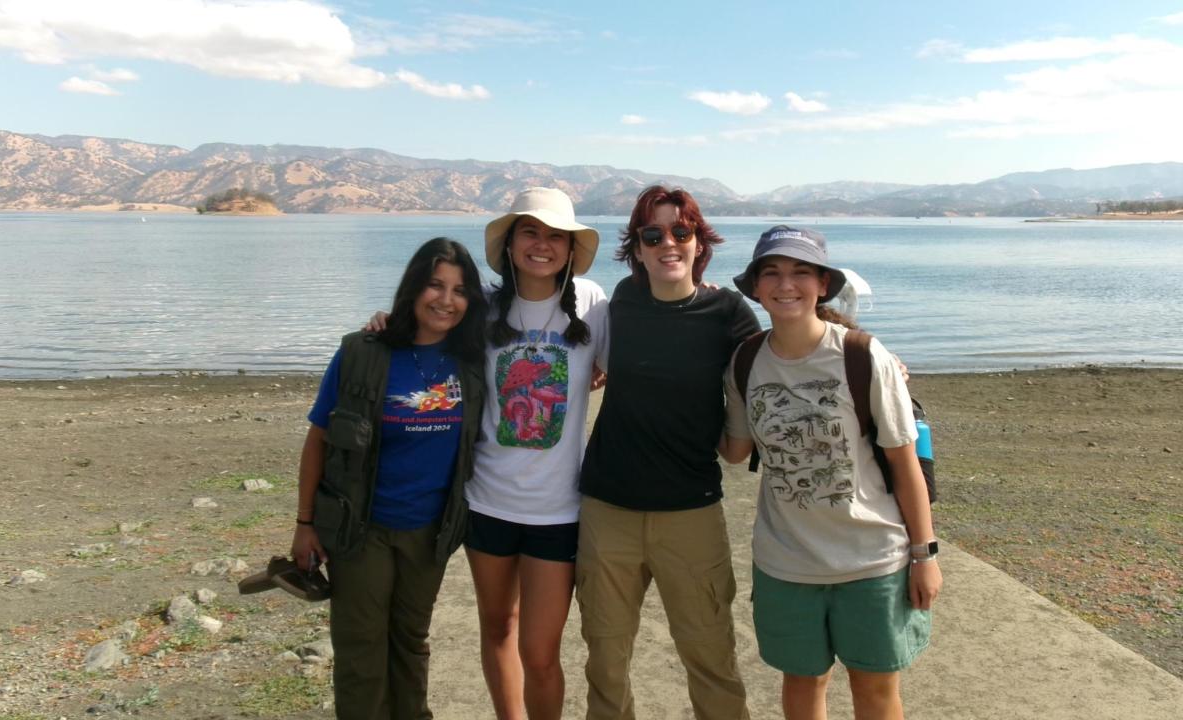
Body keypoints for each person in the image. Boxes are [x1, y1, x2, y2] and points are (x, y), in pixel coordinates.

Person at [366, 187, 608, 720]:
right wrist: (384, 325)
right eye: (530, 232)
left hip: (558, 511)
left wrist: (698, 295)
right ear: (511, 243)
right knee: (497, 628)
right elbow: (427, 334)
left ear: (570, 249)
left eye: (554, 236)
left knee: (541, 654)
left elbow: (636, 354)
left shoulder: (593, 304)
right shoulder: (484, 309)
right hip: (487, 504)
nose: (541, 245)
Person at [722, 225, 942, 720]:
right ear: (755, 288)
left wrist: (924, 554)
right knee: (802, 684)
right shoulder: (746, 360)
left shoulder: (862, 356)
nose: (786, 284)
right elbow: (735, 450)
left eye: (801, 272)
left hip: (872, 561)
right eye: (772, 273)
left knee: (875, 690)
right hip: (785, 563)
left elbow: (905, 466)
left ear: (823, 284)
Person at [577, 184, 758, 720]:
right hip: (608, 510)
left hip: (692, 512)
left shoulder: (729, 311)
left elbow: (783, 359)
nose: (668, 243)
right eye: (652, 234)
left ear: (700, 241)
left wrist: (858, 347)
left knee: (712, 659)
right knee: (606, 661)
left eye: (681, 231)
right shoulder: (622, 303)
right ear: (636, 247)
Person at [291, 237, 489, 720]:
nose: (446, 300)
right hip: (362, 530)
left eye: (460, 290)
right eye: (435, 285)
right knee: (361, 647)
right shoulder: (364, 353)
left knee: (411, 640)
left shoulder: (474, 360)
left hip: (431, 531)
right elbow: (318, 439)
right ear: (412, 289)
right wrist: (304, 522)